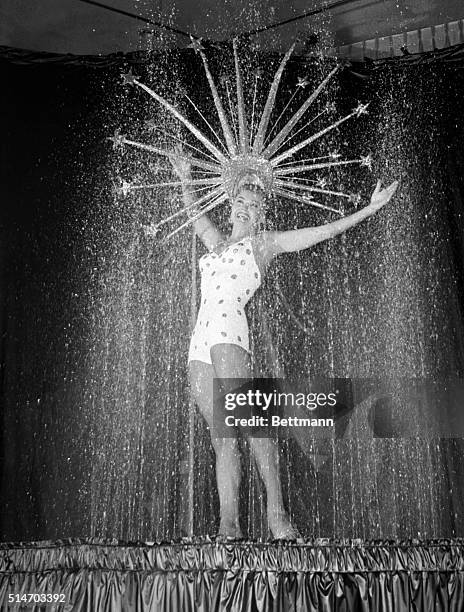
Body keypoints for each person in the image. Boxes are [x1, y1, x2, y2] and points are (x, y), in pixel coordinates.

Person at [170, 150, 398, 539]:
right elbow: (194, 215)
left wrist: (369, 210)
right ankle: (229, 524)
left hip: (229, 332)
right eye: (240, 201)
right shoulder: (215, 243)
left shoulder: (264, 244)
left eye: (254, 205)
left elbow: (319, 234)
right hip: (199, 341)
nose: (245, 208)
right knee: (221, 437)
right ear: (230, 206)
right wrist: (185, 178)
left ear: (261, 215)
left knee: (254, 426)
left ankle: (277, 517)